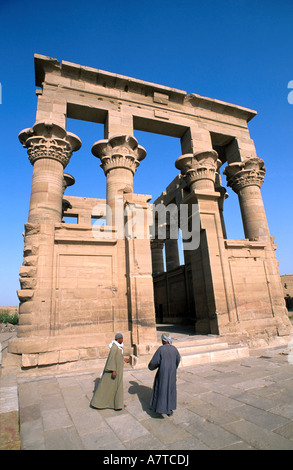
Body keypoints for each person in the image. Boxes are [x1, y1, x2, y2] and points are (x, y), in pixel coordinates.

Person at [90, 332, 129, 411]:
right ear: (118, 339)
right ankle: (97, 403)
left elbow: (117, 357)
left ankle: (118, 404)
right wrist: (113, 371)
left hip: (118, 370)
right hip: (114, 371)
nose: (122, 339)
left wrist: (123, 359)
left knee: (115, 388)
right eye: (121, 338)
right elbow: (111, 359)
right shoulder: (114, 348)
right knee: (106, 387)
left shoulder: (118, 347)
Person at [148, 333, 181, 416]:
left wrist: (151, 367)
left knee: (161, 389)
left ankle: (159, 408)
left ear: (163, 340)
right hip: (172, 373)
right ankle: (169, 409)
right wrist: (173, 368)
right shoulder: (174, 349)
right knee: (171, 390)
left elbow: (154, 362)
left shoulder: (161, 349)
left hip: (162, 373)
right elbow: (178, 360)